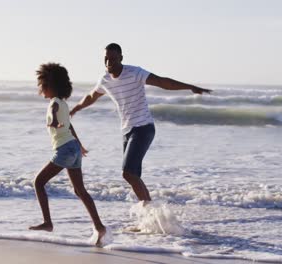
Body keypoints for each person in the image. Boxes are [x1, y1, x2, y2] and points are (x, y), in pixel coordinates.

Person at [70, 43, 212, 203]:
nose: (109, 63)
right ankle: (149, 215)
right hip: (127, 131)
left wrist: (190, 87)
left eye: (113, 59)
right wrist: (75, 109)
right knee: (133, 175)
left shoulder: (134, 72)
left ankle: (151, 212)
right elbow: (91, 96)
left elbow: (162, 82)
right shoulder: (105, 80)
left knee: (128, 173)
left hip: (143, 128)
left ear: (121, 58)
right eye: (106, 59)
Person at [29, 63, 106, 247]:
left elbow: (56, 115)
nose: (40, 89)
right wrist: (80, 145)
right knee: (80, 190)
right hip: (73, 148)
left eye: (41, 85)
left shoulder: (55, 103)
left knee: (38, 182)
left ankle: (48, 222)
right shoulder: (63, 103)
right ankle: (99, 226)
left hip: (64, 149)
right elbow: (69, 125)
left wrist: (54, 121)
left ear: (49, 84)